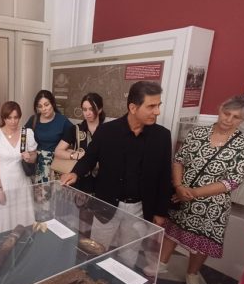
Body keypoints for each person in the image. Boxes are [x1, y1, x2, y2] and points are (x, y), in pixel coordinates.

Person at [149, 96, 244, 284]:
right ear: (220, 109)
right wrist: (179, 186)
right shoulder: (198, 133)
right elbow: (179, 160)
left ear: (243, 120)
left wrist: (193, 193)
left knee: (202, 242)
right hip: (180, 195)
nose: (228, 119)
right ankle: (161, 263)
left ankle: (192, 273)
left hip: (212, 203)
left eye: (236, 117)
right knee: (172, 231)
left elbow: (232, 181)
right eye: (226, 113)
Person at [61, 81, 172, 226]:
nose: (157, 112)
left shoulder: (162, 136)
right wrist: (75, 173)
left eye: (158, 105)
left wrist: (161, 211)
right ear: (133, 108)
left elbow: (164, 176)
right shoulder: (106, 131)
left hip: (140, 210)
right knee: (99, 241)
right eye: (151, 106)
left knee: (133, 242)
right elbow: (89, 158)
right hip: (106, 206)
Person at [0, 101, 37, 232]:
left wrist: (29, 157)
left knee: (22, 220)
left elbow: (34, 156)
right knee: (1, 222)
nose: (13, 121)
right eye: (9, 118)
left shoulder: (26, 133)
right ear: (3, 118)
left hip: (21, 183)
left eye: (16, 117)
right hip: (1, 184)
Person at [53, 92, 105, 194]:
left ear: (99, 109)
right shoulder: (75, 129)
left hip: (100, 182)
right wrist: (75, 155)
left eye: (91, 109)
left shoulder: (107, 130)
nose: (87, 113)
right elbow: (58, 151)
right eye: (84, 109)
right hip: (79, 181)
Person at [25, 90, 73, 183]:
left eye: (46, 105)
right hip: (37, 166)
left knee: (56, 191)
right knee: (38, 191)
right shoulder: (33, 119)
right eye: (40, 106)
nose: (44, 109)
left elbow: (72, 139)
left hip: (57, 167)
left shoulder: (63, 121)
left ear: (53, 104)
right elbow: (23, 137)